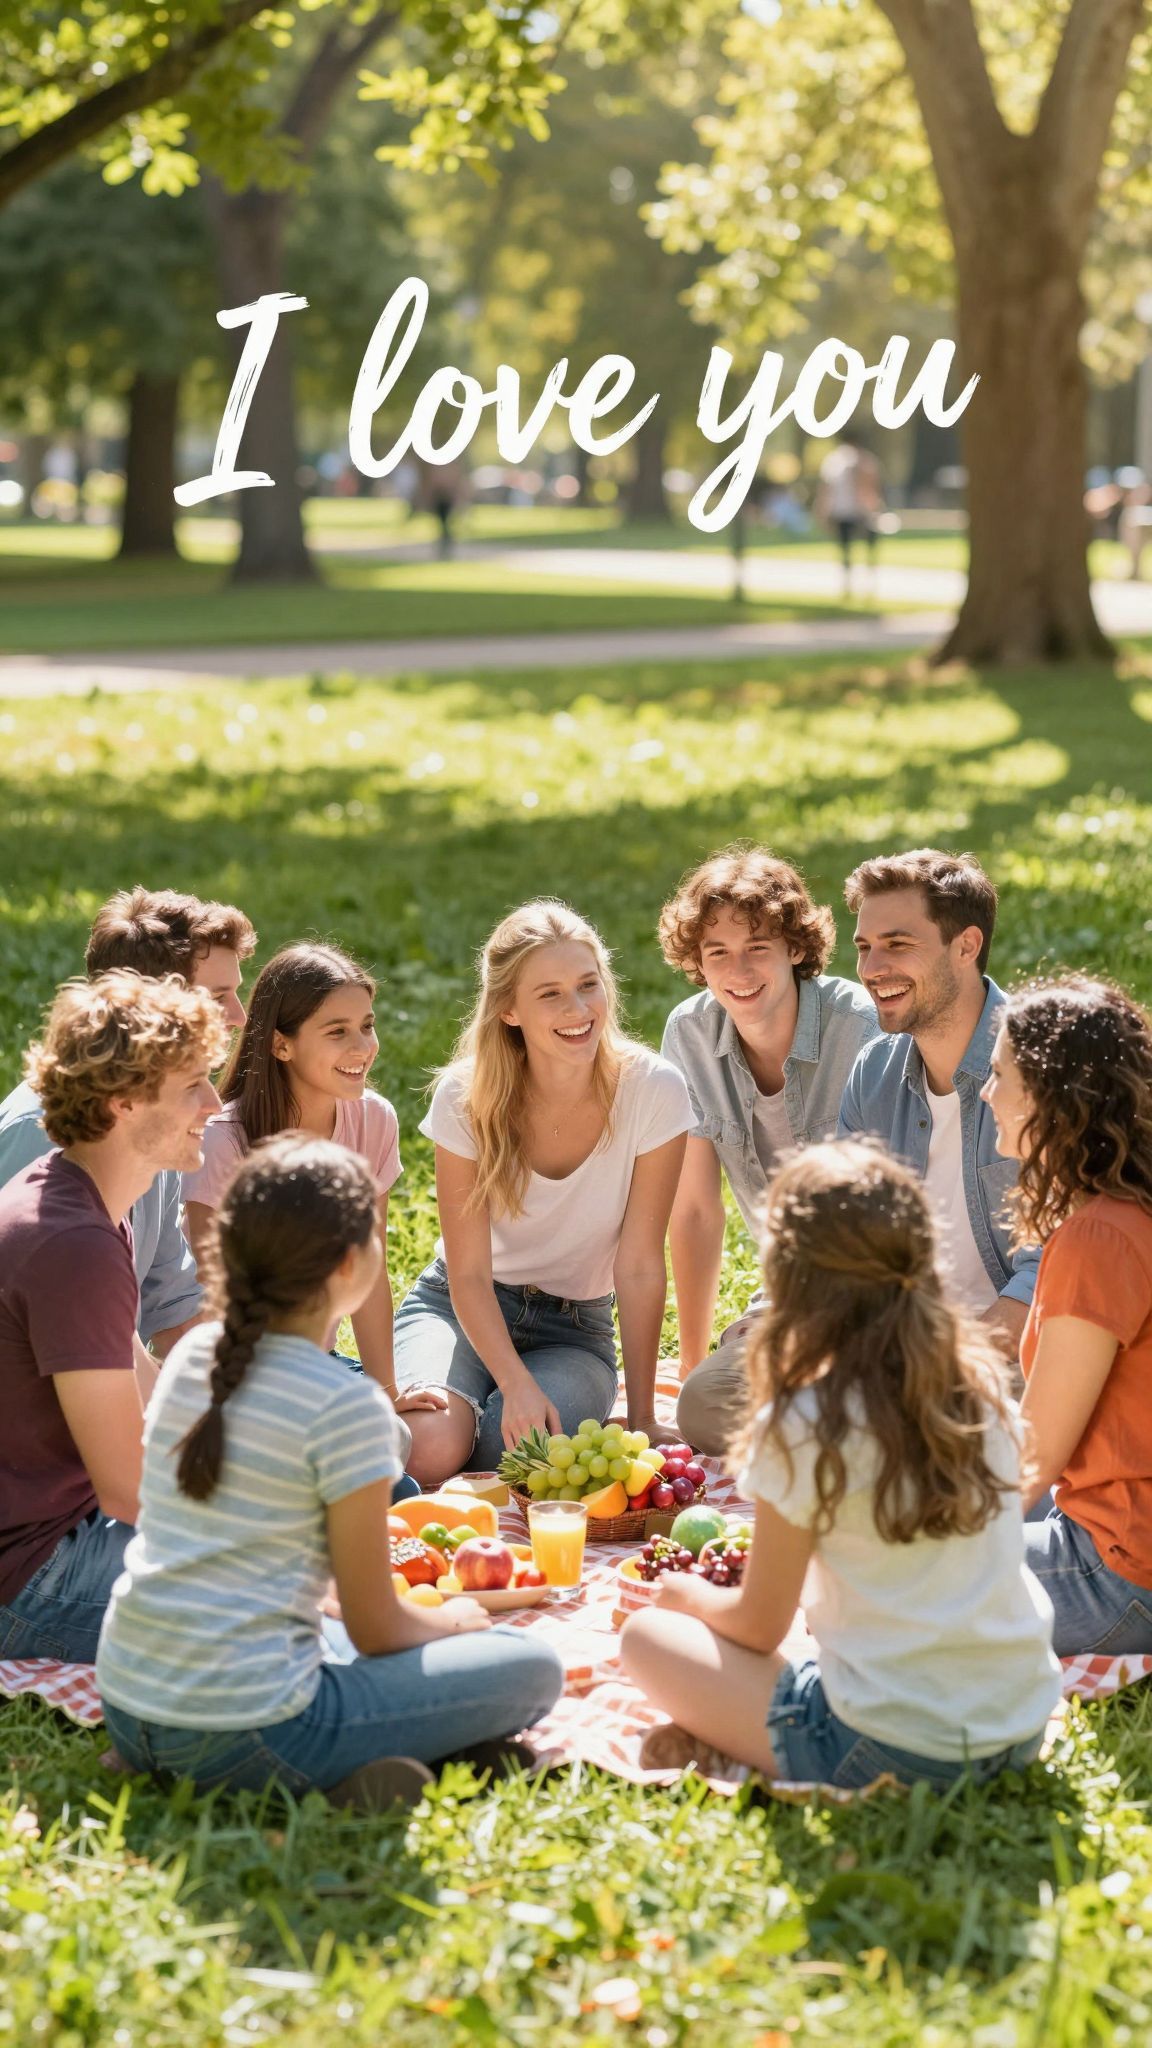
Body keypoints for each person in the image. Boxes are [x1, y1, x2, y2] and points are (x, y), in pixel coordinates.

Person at [97, 1135, 564, 1808]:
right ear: (352, 1264)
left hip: (129, 1702)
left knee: (336, 1627)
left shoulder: (194, 1356)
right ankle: (337, 1774)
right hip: (250, 1731)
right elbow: (380, 1630)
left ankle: (376, 1761)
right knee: (530, 1666)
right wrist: (458, 1621)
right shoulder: (348, 1407)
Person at [620, 1140, 1061, 1788]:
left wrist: (686, 1596)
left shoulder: (805, 1420)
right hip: (1017, 1725)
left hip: (890, 1749)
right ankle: (726, 1734)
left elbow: (759, 1625)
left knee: (647, 1637)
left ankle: (733, 1742)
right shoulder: (979, 1385)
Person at [393, 900, 695, 1485]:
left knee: (521, 1453)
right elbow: (469, 1276)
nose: (579, 1009)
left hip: (574, 1328)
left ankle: (469, 1409)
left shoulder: (653, 1089)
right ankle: (417, 1403)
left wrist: (640, 1420)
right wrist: (511, 1378)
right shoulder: (465, 1096)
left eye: (588, 985)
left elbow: (637, 1266)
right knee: (430, 1448)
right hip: (461, 1308)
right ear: (508, 1009)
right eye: (550, 994)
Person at [0, 972, 226, 1663]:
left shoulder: (86, 1197)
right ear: (123, 1103)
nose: (215, 1105)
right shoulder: (74, 1243)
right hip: (35, 1577)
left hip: (67, 1528)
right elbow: (129, 1491)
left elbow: (145, 1385)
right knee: (290, 1584)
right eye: (193, 1085)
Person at [659, 846, 879, 1457]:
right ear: (698, 963)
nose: (739, 970)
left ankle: (848, 1406)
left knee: (861, 1395)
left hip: (875, 1290)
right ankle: (835, 1418)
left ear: (795, 949)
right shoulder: (690, 1033)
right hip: (789, 1299)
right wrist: (694, 1360)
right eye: (717, 953)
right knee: (704, 1408)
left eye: (758, 947)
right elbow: (697, 1211)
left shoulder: (859, 1025)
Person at [182, 943, 437, 1438]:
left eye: (367, 1025)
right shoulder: (224, 1137)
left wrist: (386, 1393)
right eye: (337, 1032)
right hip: (237, 1373)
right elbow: (214, 1295)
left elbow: (370, 1265)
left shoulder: (374, 1119)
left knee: (405, 1444)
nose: (363, 1047)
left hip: (317, 1362)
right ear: (281, 1044)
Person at [0, 884, 255, 1356]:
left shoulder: (163, 1124)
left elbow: (174, 1306)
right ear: (152, 1010)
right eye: (219, 997)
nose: (238, 1016)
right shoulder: (41, 1135)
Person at [983, 978, 1152, 1655]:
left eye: (999, 1076)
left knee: (865, 1581)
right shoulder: (1124, 1211)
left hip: (1118, 1572)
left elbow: (1035, 1457)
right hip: (1118, 1519)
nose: (987, 1093)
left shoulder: (1098, 1239)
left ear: (1054, 1098)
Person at [839, 849, 1037, 1356]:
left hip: (1016, 1349)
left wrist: (947, 1366)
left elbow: (1060, 1262)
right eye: (864, 947)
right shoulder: (872, 1073)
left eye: (897, 944)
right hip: (901, 1341)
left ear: (966, 945)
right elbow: (844, 1232)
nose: (872, 968)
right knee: (714, 1394)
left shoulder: (1042, 1067)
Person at [816, 433, 883, 591]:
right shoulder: (861, 459)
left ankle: (854, 582)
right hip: (855, 510)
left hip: (851, 510)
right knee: (860, 546)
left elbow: (826, 489)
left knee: (848, 547)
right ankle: (859, 581)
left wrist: (822, 510)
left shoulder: (835, 461)